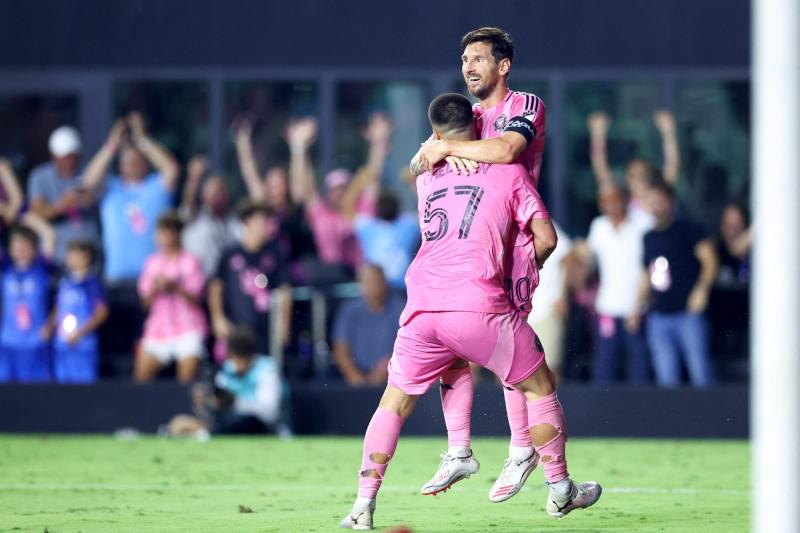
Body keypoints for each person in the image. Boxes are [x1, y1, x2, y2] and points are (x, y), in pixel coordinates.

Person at [340, 94, 600, 530]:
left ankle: (363, 505)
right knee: (538, 385)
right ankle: (560, 489)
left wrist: (437, 148)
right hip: (478, 304)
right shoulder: (510, 173)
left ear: (437, 135)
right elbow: (548, 239)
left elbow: (422, 158)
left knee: (394, 403)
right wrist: (520, 263)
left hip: (421, 307)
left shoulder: (425, 173)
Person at [412, 27, 551, 502]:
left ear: (503, 65)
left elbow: (509, 151)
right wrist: (435, 149)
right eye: (464, 60)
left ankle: (520, 449)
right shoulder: (464, 116)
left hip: (511, 244)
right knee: (450, 347)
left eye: (477, 58)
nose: (468, 66)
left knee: (508, 357)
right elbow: (416, 165)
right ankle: (458, 450)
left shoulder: (524, 106)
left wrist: (449, 147)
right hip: (466, 245)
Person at [633, 181, 718, 387]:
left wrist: (702, 289)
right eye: (652, 201)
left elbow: (710, 260)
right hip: (659, 315)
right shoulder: (648, 237)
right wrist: (638, 305)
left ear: (671, 202)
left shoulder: (688, 229)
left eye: (661, 200)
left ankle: (711, 417)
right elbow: (647, 272)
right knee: (666, 378)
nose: (657, 206)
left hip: (688, 313)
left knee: (700, 372)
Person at [287, 114, 391, 283]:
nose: (340, 193)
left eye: (344, 188)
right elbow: (306, 190)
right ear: (328, 193)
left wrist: (378, 145)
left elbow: (373, 180)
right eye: (335, 189)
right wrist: (299, 149)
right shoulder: (322, 215)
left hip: (359, 282)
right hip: (329, 282)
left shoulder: (361, 212)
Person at [82, 113, 179, 282]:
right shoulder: (111, 188)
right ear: (120, 166)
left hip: (155, 279)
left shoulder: (156, 186)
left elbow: (171, 168)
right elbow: (88, 181)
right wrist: (112, 144)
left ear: (145, 163)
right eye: (127, 162)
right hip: (117, 276)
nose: (131, 166)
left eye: (136, 161)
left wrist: (142, 139)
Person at [165, 326, 289, 437]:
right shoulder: (227, 369)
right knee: (181, 421)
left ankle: (201, 434)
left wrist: (235, 402)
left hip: (266, 430)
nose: (238, 364)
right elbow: (216, 410)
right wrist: (204, 403)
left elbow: (270, 413)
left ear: (251, 355)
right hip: (230, 427)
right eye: (235, 358)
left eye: (243, 359)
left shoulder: (267, 370)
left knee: (246, 422)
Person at [235, 119, 318, 284]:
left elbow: (300, 183)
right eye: (272, 185)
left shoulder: (292, 209)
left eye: (280, 185)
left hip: (291, 274)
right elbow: (250, 175)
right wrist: (243, 144)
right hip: (265, 272)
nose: (276, 190)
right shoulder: (264, 210)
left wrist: (298, 148)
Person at [585, 184, 652, 384]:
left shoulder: (643, 224)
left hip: (635, 311)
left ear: (625, 199)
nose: (609, 205)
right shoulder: (598, 226)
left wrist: (639, 305)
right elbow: (589, 260)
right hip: (607, 309)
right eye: (604, 201)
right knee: (604, 369)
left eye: (614, 199)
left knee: (639, 370)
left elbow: (647, 269)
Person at [209, 200, 292, 358]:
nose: (266, 224)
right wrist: (218, 317)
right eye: (261, 219)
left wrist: (283, 324)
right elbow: (216, 286)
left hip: (265, 332)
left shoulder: (276, 254)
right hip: (236, 331)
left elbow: (284, 290)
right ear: (247, 222)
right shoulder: (230, 254)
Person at [134, 212, 207, 384]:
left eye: (168, 232)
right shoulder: (151, 263)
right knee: (139, 379)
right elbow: (144, 302)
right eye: (161, 233)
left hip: (188, 328)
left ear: (177, 234)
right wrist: (156, 289)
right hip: (158, 329)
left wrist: (175, 287)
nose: (164, 237)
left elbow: (198, 299)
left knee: (186, 380)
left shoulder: (191, 262)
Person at [587, 109, 680, 226]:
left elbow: (673, 164)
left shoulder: (658, 198)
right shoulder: (625, 200)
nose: (636, 177)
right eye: (632, 174)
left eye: (641, 174)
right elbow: (600, 169)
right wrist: (598, 135)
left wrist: (669, 133)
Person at [27, 126, 99, 263]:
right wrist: (61, 205)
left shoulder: (87, 174)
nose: (70, 162)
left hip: (89, 257)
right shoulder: (40, 177)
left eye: (74, 157)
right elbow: (37, 214)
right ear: (54, 156)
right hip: (58, 258)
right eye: (66, 158)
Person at [0, 214, 56, 382]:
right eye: (17, 246)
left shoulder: (41, 269)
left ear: (34, 249)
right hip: (8, 341)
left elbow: (49, 235)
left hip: (35, 342)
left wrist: (20, 214)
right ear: (9, 249)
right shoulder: (6, 269)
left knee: (36, 395)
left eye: (25, 245)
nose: (21, 249)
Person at [332, 264, 405, 386]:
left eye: (377, 280)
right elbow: (341, 348)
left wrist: (387, 367)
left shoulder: (401, 308)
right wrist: (354, 376)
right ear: (361, 284)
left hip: (395, 378)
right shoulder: (349, 310)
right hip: (356, 380)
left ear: (384, 282)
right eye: (369, 281)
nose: (374, 285)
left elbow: (407, 346)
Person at [51, 240, 108, 383]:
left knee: (83, 388)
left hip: (83, 345)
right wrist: (49, 326)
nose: (69, 259)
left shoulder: (92, 284)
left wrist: (79, 333)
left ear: (86, 256)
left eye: (74, 255)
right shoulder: (64, 282)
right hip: (62, 344)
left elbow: (101, 313)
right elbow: (59, 308)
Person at [179, 156, 242, 278]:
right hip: (196, 281)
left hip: (224, 280)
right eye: (209, 192)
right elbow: (189, 203)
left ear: (226, 195)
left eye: (217, 192)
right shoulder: (196, 216)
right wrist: (194, 178)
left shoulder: (234, 221)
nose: (213, 197)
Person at [353, 192, 419, 289]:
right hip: (377, 285)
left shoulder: (366, 226)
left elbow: (347, 206)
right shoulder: (410, 223)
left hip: (401, 287)